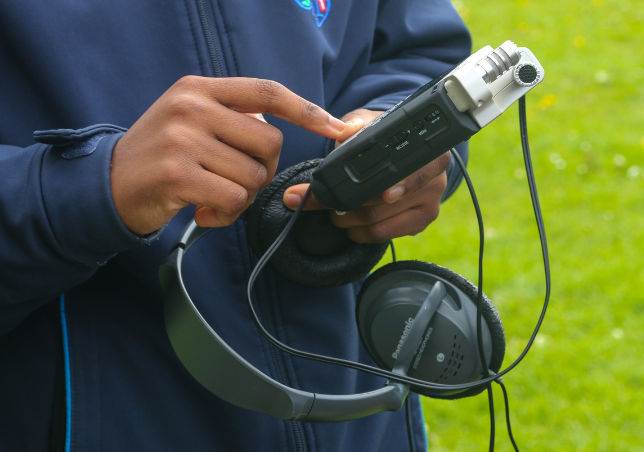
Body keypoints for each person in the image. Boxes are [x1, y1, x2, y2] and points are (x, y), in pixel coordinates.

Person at [0, 1, 471, 450]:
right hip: (102, 419)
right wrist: (94, 188)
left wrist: (404, 138)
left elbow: (417, 53)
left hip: (356, 414)